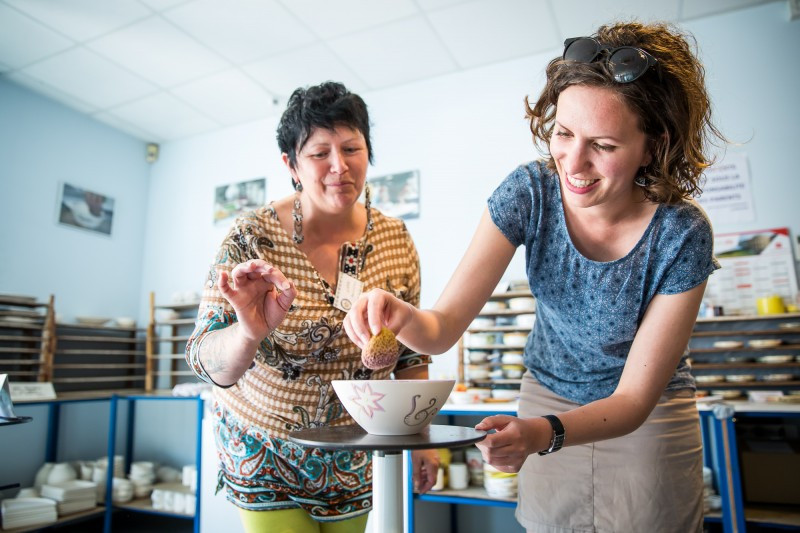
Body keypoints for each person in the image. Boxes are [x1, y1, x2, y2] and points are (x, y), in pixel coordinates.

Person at [344, 22, 725, 532]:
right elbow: (442, 328)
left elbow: (634, 399)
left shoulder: (681, 233)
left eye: (604, 145)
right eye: (564, 134)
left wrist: (542, 433)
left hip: (648, 418)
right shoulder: (529, 193)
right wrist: (400, 314)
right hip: (547, 396)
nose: (573, 162)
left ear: (654, 146)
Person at [185, 81, 439, 533]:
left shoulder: (395, 240)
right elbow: (204, 360)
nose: (339, 167)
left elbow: (410, 352)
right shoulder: (251, 239)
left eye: (351, 148)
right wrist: (248, 330)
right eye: (319, 153)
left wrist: (419, 437)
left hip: (356, 447)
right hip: (264, 445)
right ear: (292, 164)